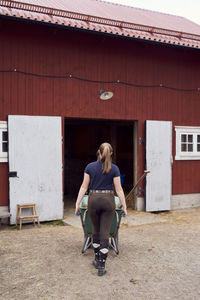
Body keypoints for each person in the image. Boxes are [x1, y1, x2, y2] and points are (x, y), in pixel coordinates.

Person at [75, 142, 127, 276]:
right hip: (108, 200)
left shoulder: (90, 167)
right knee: (105, 232)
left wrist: (77, 203)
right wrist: (124, 206)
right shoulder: (114, 168)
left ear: (98, 152)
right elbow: (119, 189)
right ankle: (102, 266)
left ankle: (97, 259)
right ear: (111, 153)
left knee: (96, 231)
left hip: (93, 199)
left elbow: (83, 187)